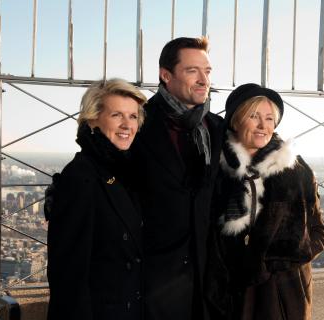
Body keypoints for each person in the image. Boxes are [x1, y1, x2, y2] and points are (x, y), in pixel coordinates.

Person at [206, 83, 324, 320]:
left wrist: (284, 262)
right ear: (235, 120)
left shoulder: (296, 170)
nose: (264, 126)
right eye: (254, 116)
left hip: (282, 295)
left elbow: (319, 231)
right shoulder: (214, 169)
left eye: (270, 118)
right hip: (227, 292)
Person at [130, 36, 223, 320]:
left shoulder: (216, 127)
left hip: (207, 282)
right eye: (192, 70)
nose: (203, 79)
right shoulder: (138, 123)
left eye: (207, 71)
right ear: (165, 74)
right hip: (155, 282)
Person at [46, 79, 147, 320]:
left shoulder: (124, 171)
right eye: (116, 115)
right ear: (92, 119)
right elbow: (68, 277)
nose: (127, 125)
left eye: (133, 117)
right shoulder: (81, 177)